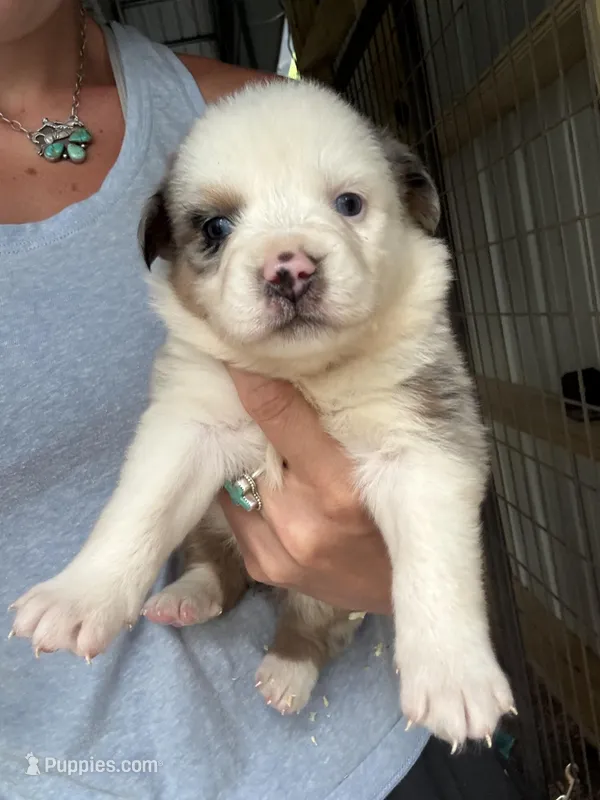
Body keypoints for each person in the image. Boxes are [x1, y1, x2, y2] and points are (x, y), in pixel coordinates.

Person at [0, 1, 524, 797]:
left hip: (384, 754)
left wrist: (433, 622)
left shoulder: (261, 104)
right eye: (216, 229)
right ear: (166, 254)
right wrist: (105, 577)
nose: (289, 264)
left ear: (410, 202)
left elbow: (425, 462)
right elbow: (184, 441)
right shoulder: (204, 341)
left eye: (348, 206)